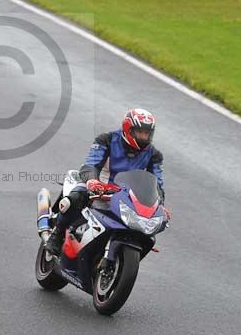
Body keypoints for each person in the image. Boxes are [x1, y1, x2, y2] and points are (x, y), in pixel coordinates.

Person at [45, 108, 166, 256]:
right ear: (129, 129)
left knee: (145, 229)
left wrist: (159, 203)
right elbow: (90, 164)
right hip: (97, 186)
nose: (143, 137)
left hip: (126, 196)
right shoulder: (106, 140)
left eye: (146, 133)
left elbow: (157, 184)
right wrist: (92, 182)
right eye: (140, 132)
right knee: (76, 197)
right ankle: (56, 235)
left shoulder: (154, 155)